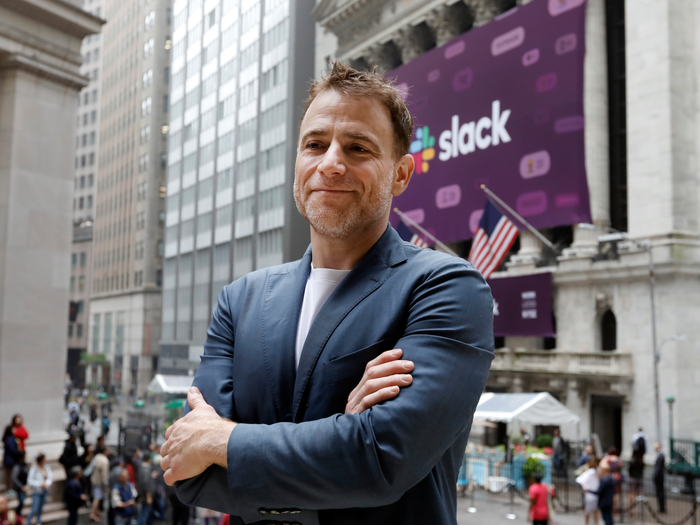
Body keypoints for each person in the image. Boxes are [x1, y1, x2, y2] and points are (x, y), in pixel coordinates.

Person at [160, 62, 494, 525]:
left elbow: (381, 459)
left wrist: (223, 442)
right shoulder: (239, 301)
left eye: (358, 148)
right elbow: (189, 475)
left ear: (400, 174)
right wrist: (344, 437)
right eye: (315, 144)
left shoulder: (447, 287)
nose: (331, 163)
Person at [26, 453, 52, 525]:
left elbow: (50, 477)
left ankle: (38, 521)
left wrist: (46, 483)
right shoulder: (34, 468)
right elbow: (29, 480)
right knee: (34, 509)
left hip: (45, 491)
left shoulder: (46, 467)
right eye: (44, 459)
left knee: (41, 508)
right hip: (36, 491)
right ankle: (27, 522)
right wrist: (40, 484)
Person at [576, 457, 600, 525]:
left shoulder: (589, 472)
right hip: (595, 493)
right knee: (595, 510)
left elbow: (580, 480)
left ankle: (587, 523)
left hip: (589, 494)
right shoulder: (597, 472)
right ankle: (596, 523)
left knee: (588, 511)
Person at [90, 445, 111, 522]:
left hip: (94, 480)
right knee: (97, 498)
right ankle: (92, 514)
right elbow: (104, 474)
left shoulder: (97, 457)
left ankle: (96, 512)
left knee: (96, 497)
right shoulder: (105, 460)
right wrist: (106, 484)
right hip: (99, 482)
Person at [136, 453, 154, 525]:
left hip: (143, 495)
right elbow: (146, 484)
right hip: (146, 496)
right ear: (149, 459)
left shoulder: (141, 468)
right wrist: (148, 496)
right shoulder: (145, 470)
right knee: (144, 515)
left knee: (146, 514)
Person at [653, 442, 666, 513]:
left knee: (660, 492)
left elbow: (658, 468)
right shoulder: (659, 455)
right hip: (659, 477)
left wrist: (655, 476)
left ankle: (662, 508)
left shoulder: (661, 456)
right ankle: (661, 507)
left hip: (659, 478)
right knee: (659, 492)